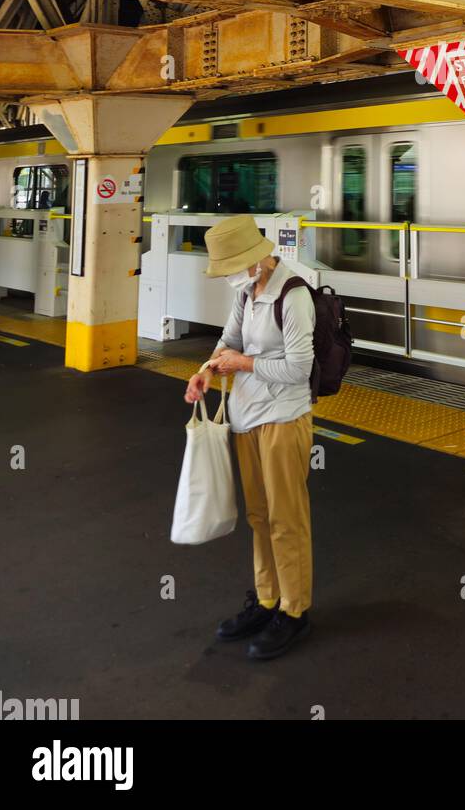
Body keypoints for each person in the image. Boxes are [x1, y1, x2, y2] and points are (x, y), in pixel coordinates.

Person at [184, 213, 315, 661]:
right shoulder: (247, 291)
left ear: (257, 256)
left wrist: (242, 365)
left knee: (286, 518)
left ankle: (294, 609)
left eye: (233, 265)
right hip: (245, 417)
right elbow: (229, 339)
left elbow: (299, 367)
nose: (230, 275)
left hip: (283, 418)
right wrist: (204, 371)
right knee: (260, 516)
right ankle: (266, 600)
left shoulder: (293, 294)